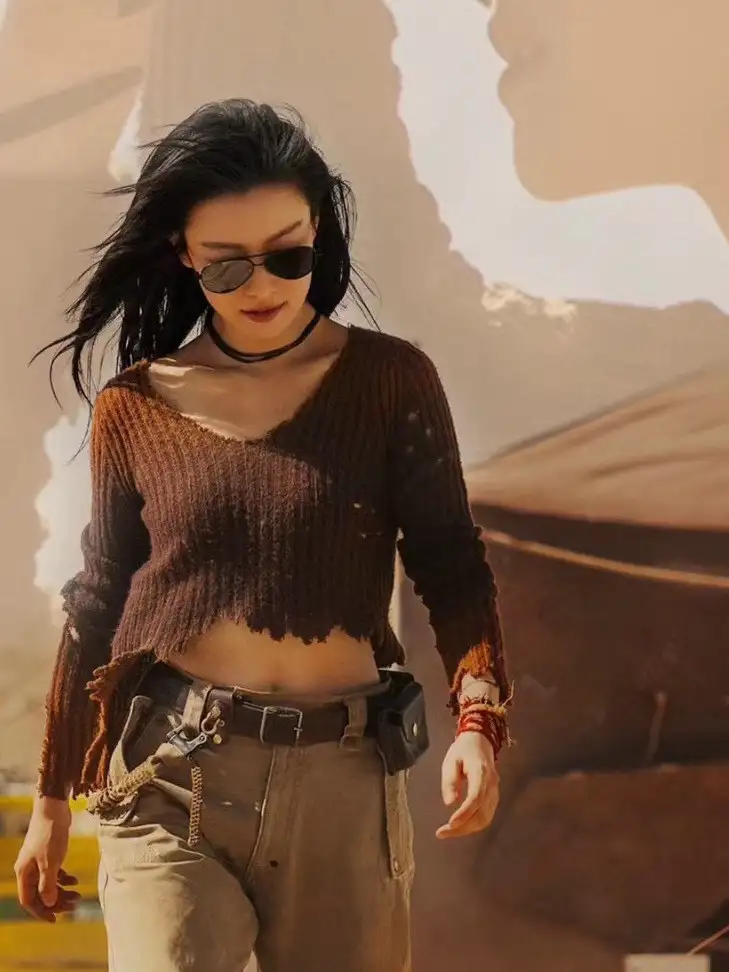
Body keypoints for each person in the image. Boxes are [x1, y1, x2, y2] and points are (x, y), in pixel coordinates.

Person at [13, 99, 511, 972]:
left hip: (344, 781)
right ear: (184, 255)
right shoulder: (134, 406)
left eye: (288, 256)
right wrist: (52, 799)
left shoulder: (391, 382)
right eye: (227, 266)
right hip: (172, 775)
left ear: (318, 233)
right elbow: (98, 596)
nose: (263, 287)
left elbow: (451, 567)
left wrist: (477, 722)